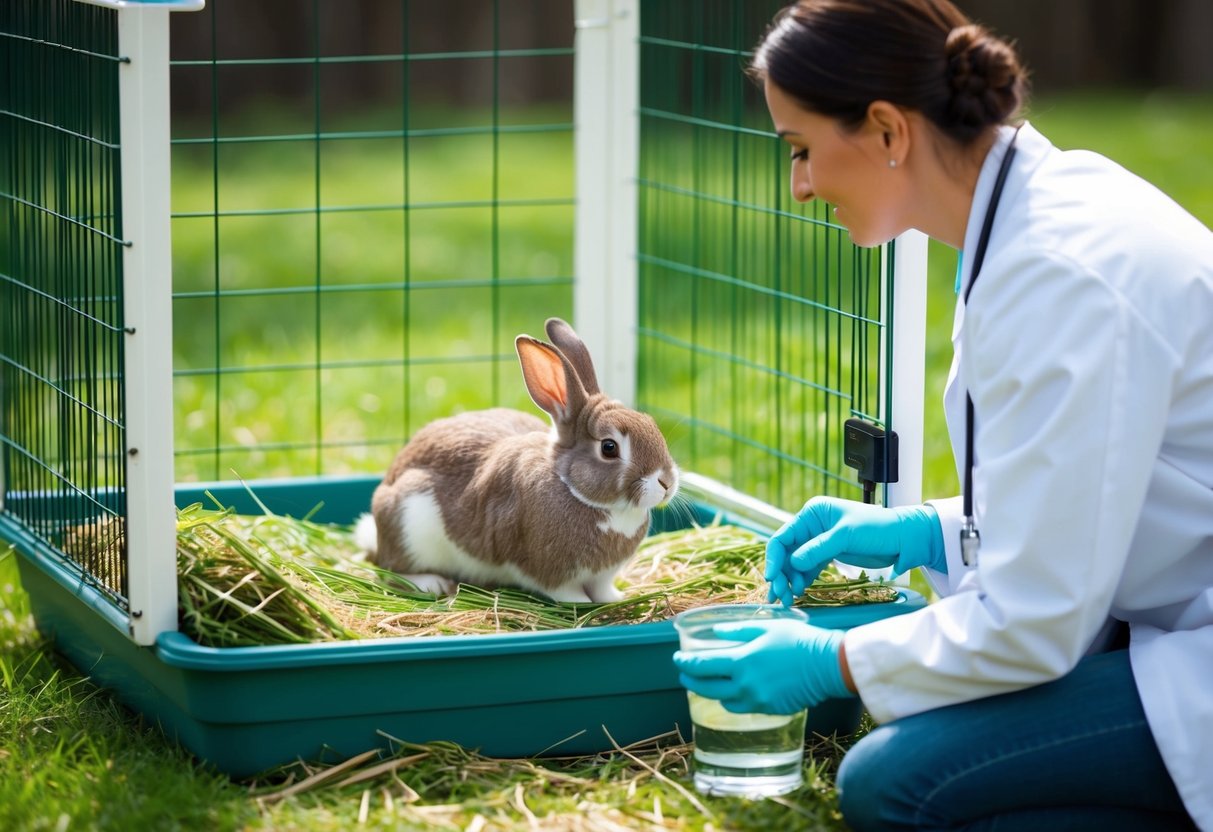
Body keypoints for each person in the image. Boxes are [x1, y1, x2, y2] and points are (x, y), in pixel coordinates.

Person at [672, 1, 1212, 829]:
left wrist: (832, 659)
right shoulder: (1034, 216)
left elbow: (1037, 624)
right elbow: (1092, 491)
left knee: (896, 782)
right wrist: (935, 531)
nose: (801, 185)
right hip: (1172, 604)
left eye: (802, 149)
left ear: (888, 131)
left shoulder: (1064, 276)